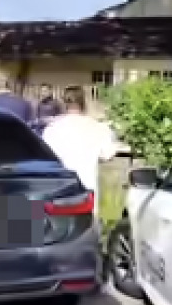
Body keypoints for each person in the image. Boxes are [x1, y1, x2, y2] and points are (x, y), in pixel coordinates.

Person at [41, 85, 117, 218]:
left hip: (59, 192)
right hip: (87, 191)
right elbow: (108, 154)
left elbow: (44, 158)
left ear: (65, 104)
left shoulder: (51, 129)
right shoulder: (99, 128)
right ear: (84, 103)